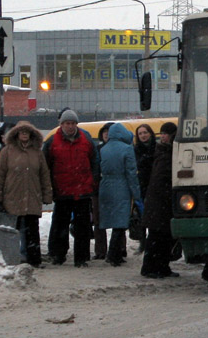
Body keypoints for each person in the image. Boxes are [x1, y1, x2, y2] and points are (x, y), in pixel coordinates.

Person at [0, 121, 52, 267]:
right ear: (17, 133)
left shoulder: (37, 152)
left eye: (27, 131)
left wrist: (47, 194)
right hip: (12, 197)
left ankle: (34, 260)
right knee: (13, 231)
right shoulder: (7, 151)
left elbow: (44, 175)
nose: (24, 134)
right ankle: (12, 259)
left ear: (31, 134)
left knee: (32, 231)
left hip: (32, 197)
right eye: (21, 131)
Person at [44, 109, 100, 267]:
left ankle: (81, 258)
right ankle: (58, 255)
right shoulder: (52, 142)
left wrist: (93, 181)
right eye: (67, 123)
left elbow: (95, 161)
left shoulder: (85, 138)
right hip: (62, 191)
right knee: (59, 225)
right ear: (61, 124)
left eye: (73, 123)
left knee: (83, 227)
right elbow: (46, 165)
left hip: (82, 191)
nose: (70, 126)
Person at [98, 123, 141, 266]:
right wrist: (136, 194)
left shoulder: (103, 149)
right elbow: (131, 173)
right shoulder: (127, 149)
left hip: (105, 186)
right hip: (121, 186)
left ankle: (114, 254)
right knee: (120, 222)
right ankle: (113, 255)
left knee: (112, 220)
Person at [141, 121, 179, 278]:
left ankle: (162, 267)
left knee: (164, 237)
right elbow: (160, 179)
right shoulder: (164, 153)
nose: (163, 136)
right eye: (162, 133)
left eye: (166, 134)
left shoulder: (167, 152)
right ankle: (150, 268)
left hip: (161, 202)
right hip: (159, 203)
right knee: (157, 237)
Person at [90, 121, 116, 259]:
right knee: (98, 221)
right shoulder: (97, 150)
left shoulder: (121, 149)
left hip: (115, 189)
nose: (106, 134)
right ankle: (100, 251)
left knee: (117, 221)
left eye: (110, 131)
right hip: (98, 189)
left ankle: (118, 249)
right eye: (104, 131)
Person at [132, 123, 156, 252]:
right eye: (140, 133)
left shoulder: (157, 148)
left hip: (155, 186)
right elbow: (137, 165)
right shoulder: (136, 150)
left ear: (150, 133)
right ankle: (142, 242)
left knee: (155, 215)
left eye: (145, 132)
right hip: (142, 186)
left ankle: (153, 241)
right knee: (142, 216)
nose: (143, 135)